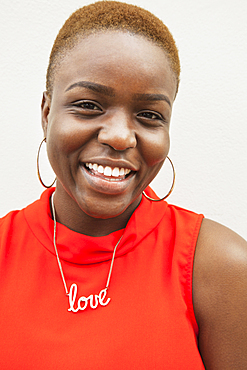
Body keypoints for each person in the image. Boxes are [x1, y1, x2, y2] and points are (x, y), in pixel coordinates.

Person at [0, 1, 246, 369]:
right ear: (47, 112)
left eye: (150, 115)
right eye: (88, 104)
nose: (119, 136)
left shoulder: (220, 267)